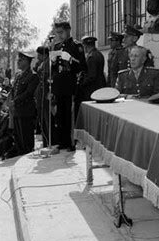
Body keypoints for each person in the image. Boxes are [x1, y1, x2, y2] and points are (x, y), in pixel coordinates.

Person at [52, 21, 86, 151]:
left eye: (61, 32)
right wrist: (53, 62)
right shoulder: (57, 46)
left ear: (68, 30)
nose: (59, 35)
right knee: (60, 115)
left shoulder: (76, 46)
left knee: (70, 114)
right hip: (59, 84)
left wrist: (71, 59)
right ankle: (62, 141)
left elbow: (82, 67)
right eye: (57, 33)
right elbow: (54, 69)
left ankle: (71, 142)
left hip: (71, 83)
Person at [9, 52, 39, 155]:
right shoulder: (18, 75)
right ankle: (20, 154)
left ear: (27, 61)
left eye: (20, 60)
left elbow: (29, 92)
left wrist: (15, 101)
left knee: (26, 137)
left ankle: (27, 154)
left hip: (26, 111)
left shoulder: (33, 76)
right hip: (17, 110)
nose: (18, 62)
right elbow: (14, 90)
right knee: (18, 138)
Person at [35, 46, 53, 147]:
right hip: (40, 95)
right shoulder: (42, 64)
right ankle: (46, 141)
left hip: (45, 95)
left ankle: (49, 141)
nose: (38, 57)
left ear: (44, 55)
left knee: (46, 119)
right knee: (42, 119)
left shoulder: (47, 64)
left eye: (39, 55)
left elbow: (46, 80)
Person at [78, 36, 106, 101]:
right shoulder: (99, 54)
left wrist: (81, 84)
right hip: (99, 86)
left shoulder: (91, 57)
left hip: (92, 88)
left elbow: (91, 76)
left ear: (86, 46)